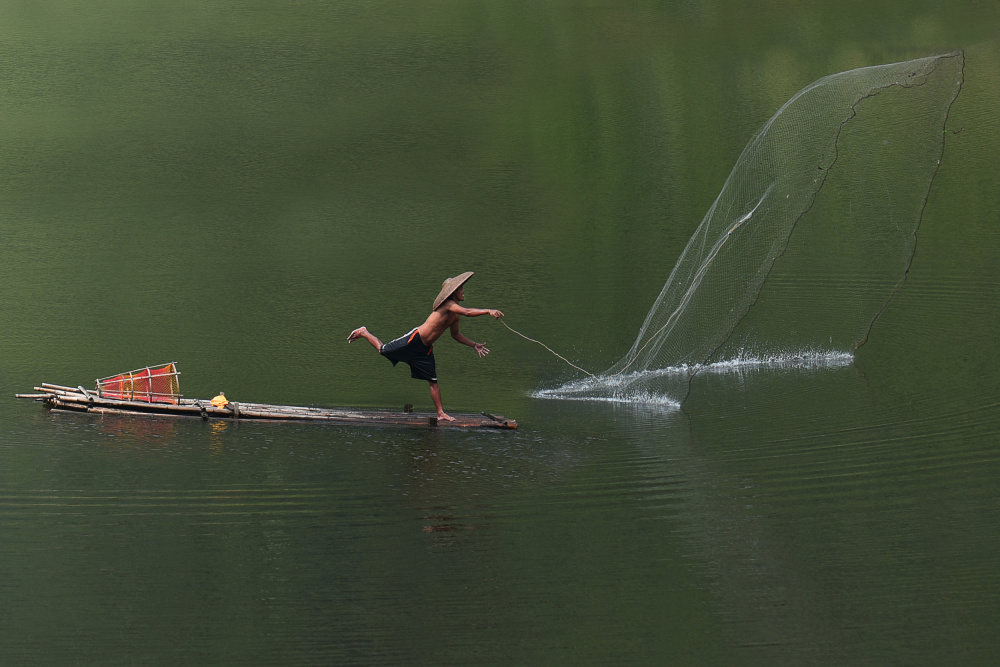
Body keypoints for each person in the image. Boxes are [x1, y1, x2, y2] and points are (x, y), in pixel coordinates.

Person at [347, 272, 503, 421]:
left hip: (425, 349)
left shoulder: (455, 316)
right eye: (461, 289)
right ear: (453, 293)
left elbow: (455, 335)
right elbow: (468, 312)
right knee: (383, 350)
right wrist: (488, 311)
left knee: (433, 381)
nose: (463, 291)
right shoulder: (449, 304)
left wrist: (474, 345)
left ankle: (440, 413)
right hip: (414, 339)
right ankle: (364, 332)